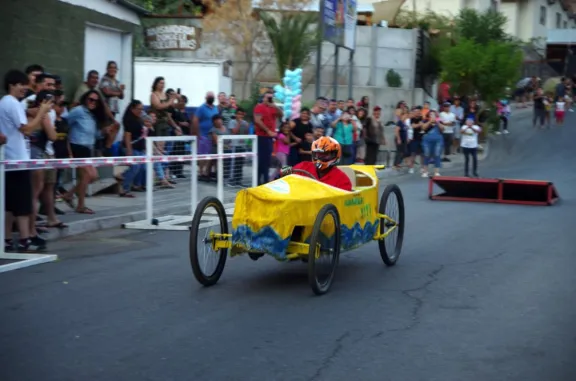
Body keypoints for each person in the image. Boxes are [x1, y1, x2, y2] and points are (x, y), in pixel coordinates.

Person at [280, 136, 353, 192]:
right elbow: (286, 174)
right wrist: (285, 171)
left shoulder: (342, 179)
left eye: (325, 154)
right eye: (318, 154)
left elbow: (344, 202)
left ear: (335, 155)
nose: (320, 157)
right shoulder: (303, 166)